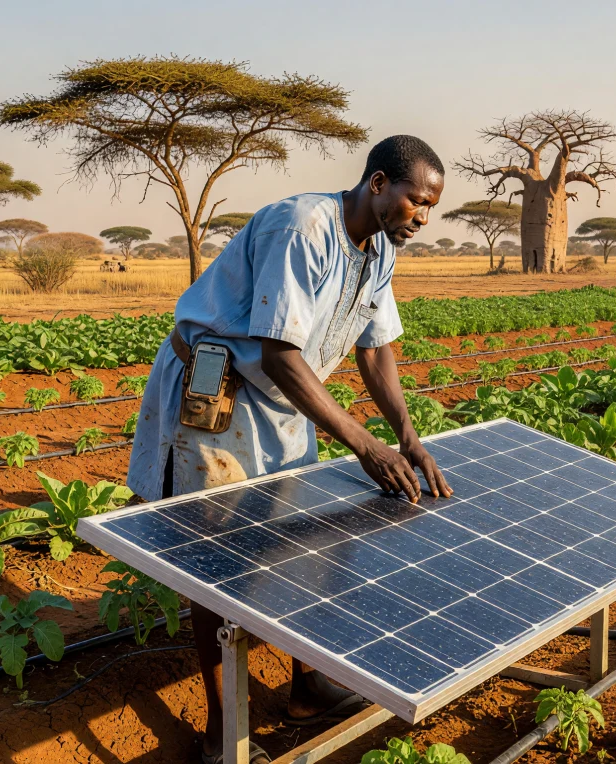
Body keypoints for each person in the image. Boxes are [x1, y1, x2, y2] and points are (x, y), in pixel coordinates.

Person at [125, 135, 453, 764]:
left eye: (432, 207)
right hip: (218, 396)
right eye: (418, 200)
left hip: (283, 399)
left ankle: (306, 685)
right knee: (216, 560)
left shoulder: (380, 247)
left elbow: (375, 346)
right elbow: (278, 351)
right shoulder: (304, 227)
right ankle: (224, 732)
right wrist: (362, 443)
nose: (424, 217)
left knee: (301, 536)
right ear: (379, 183)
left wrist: (406, 435)